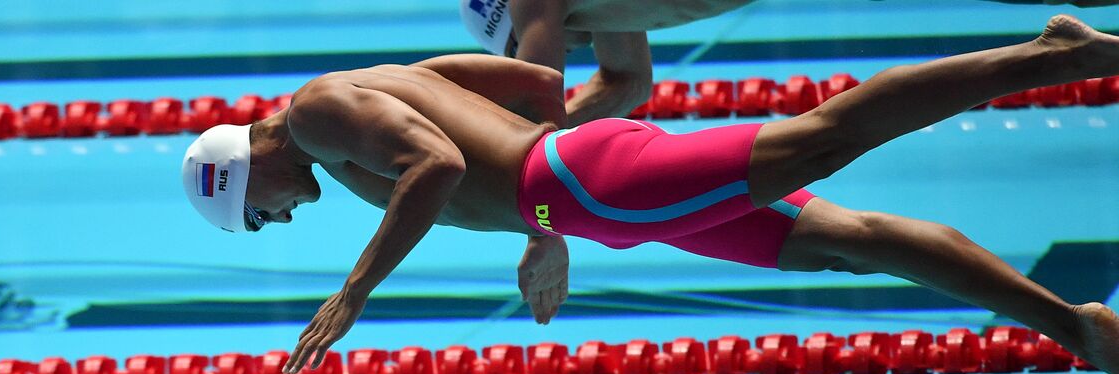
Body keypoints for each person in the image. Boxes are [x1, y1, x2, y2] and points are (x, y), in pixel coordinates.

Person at [178, 16, 1119, 374]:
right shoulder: (368, 78)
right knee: (855, 240)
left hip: (595, 192)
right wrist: (540, 220)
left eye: (259, 212)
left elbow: (439, 169)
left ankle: (1050, 58)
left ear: (240, 169)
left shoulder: (310, 120)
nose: (283, 219)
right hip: (585, 180)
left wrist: (357, 292)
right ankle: (1076, 327)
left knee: (824, 140)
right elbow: (537, 95)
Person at [458, 0, 1119, 127]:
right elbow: (627, 85)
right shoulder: (607, 12)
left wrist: (542, 231)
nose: (560, 51)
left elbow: (537, 103)